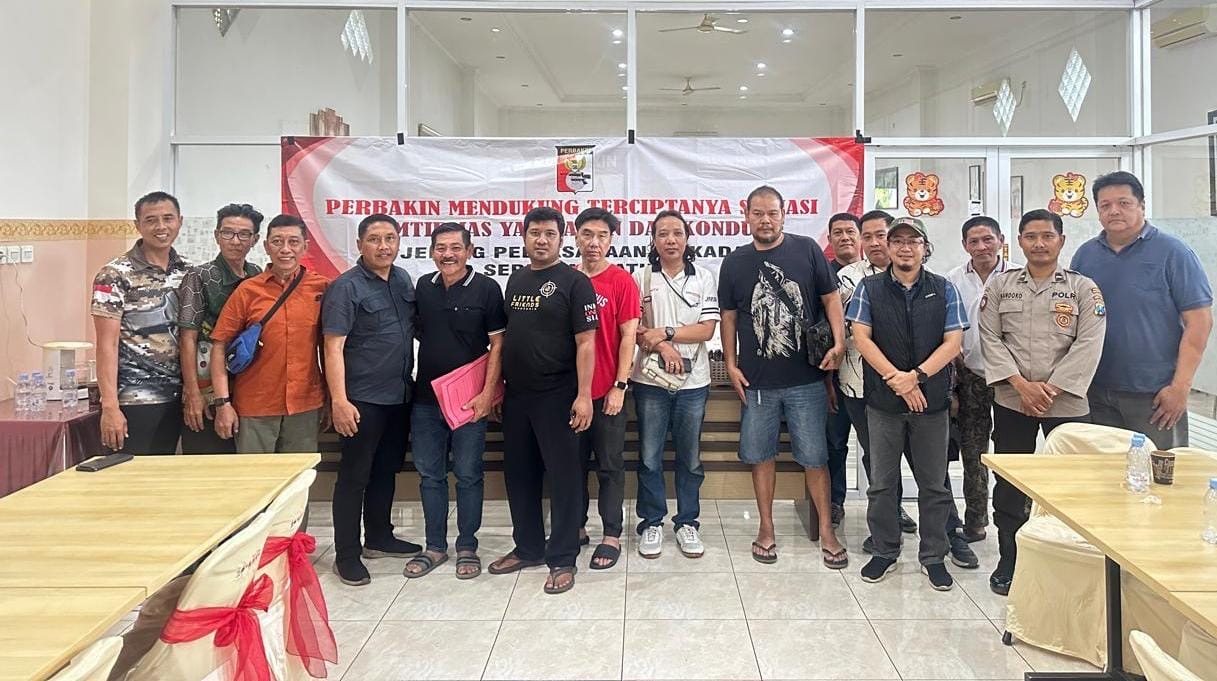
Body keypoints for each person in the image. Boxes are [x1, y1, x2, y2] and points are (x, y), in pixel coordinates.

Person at [718, 185, 848, 569]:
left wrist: (840, 342)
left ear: (784, 214)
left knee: (815, 458)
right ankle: (766, 528)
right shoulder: (735, 262)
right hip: (757, 381)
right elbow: (728, 317)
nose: (765, 220)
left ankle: (827, 531)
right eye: (758, 213)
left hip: (806, 379)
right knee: (761, 457)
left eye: (772, 213)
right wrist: (731, 363)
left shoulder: (806, 249)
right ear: (746, 215)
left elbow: (831, 298)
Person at [982, 209, 1107, 595]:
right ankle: (1009, 559)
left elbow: (1089, 343)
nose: (1039, 243)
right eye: (1031, 236)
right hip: (1012, 399)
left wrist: (1048, 389)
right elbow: (990, 338)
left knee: (1070, 484)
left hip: (1066, 402)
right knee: (1010, 481)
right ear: (1019, 241)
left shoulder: (1083, 289)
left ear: (1061, 241)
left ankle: (1065, 561)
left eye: (1047, 236)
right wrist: (1021, 385)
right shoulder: (1001, 286)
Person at [846, 217, 965, 591]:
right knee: (882, 483)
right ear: (888, 247)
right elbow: (861, 338)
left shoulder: (943, 289)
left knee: (934, 484)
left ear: (925, 248)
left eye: (913, 241)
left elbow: (953, 343)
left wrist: (916, 377)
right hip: (883, 403)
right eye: (897, 240)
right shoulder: (869, 288)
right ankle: (885, 550)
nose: (904, 247)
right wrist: (897, 380)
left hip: (931, 403)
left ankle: (934, 556)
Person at [489, 206, 599, 595]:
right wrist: (498, 389)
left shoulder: (575, 282)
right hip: (517, 396)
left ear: (561, 239)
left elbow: (586, 343)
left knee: (564, 478)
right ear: (524, 237)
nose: (541, 240)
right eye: (535, 233)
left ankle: (563, 556)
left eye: (549, 234)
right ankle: (529, 548)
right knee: (520, 475)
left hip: (559, 395)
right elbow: (507, 338)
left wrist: (584, 396)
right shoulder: (516, 279)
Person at [1070, 171, 1213, 449]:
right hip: (1096, 391)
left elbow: (1200, 323)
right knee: (1103, 471)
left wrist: (1180, 387)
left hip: (1155, 395)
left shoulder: (1173, 253)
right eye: (1105, 205)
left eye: (1124, 203)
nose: (1114, 211)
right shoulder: (1085, 255)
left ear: (1142, 205)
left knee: (1157, 469)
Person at [320, 214, 423, 586]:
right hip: (361, 400)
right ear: (360, 244)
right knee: (354, 476)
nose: (383, 246)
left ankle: (379, 536)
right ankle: (346, 555)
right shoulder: (345, 288)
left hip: (399, 394)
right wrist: (339, 401)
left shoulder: (402, 279)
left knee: (386, 470)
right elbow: (333, 347)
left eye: (390, 238)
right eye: (375, 239)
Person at [408, 222, 506, 580]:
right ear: (432, 251)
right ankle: (434, 546)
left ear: (469, 251)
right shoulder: (424, 287)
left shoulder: (487, 288)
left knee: (468, 474)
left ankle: (467, 546)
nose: (447, 254)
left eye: (455, 247)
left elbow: (498, 344)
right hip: (425, 400)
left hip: (470, 402)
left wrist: (487, 394)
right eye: (441, 248)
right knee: (429, 475)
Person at [632, 210, 719, 559]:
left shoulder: (704, 277)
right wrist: (665, 347)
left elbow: (707, 330)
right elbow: (636, 330)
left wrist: (666, 333)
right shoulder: (641, 277)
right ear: (653, 240)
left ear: (687, 238)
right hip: (650, 380)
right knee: (649, 456)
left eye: (677, 233)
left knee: (690, 458)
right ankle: (651, 522)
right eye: (663, 233)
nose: (670, 240)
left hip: (693, 383)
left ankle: (687, 523)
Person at [209, 214, 330, 455]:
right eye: (277, 242)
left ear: (305, 246)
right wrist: (223, 403)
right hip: (255, 405)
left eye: (293, 242)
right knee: (254, 475)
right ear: (266, 246)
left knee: (298, 475)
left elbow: (331, 348)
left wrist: (332, 398)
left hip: (305, 404)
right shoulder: (248, 291)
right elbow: (219, 347)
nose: (285, 249)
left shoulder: (322, 288)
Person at [836, 211, 918, 535]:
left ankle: (943, 527)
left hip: (913, 382)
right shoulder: (848, 277)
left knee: (920, 456)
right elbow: (849, 328)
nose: (873, 243)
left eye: (880, 235)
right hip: (860, 383)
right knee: (877, 454)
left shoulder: (919, 278)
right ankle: (889, 516)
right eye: (866, 236)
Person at [92, 191, 190, 455]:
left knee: (172, 475)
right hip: (135, 399)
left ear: (180, 221)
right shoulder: (114, 275)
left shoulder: (188, 271)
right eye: (151, 220)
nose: (161, 227)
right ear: (138, 225)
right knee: (133, 476)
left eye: (168, 218)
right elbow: (107, 344)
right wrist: (110, 406)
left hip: (180, 397)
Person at [573, 207, 640, 570]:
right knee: (571, 465)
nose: (594, 242)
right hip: (571, 393)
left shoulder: (621, 281)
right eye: (587, 234)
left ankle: (611, 533)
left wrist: (619, 385)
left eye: (602, 236)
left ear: (611, 240)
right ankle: (576, 527)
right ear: (576, 237)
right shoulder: (567, 278)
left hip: (607, 393)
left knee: (610, 465)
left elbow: (629, 336)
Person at [945, 215, 1018, 543]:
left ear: (1001, 240)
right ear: (965, 245)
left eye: (988, 239)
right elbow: (947, 330)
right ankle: (975, 521)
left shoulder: (1019, 276)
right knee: (973, 454)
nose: (982, 246)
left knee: (1012, 451)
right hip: (969, 376)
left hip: (1013, 380)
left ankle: (1016, 518)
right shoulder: (952, 280)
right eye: (974, 241)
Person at [177, 203, 264, 454]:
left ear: (255, 239)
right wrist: (192, 393)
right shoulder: (199, 276)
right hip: (206, 384)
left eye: (244, 234)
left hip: (245, 382)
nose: (235, 241)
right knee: (209, 458)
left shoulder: (255, 274)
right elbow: (187, 338)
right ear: (217, 235)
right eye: (228, 233)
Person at [824, 212, 862, 527]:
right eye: (838, 232)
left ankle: (891, 506)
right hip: (836, 377)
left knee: (881, 449)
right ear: (830, 239)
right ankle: (835, 501)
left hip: (877, 377)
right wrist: (825, 380)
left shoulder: (879, 274)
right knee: (835, 443)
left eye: (850, 231)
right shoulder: (823, 276)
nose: (845, 237)